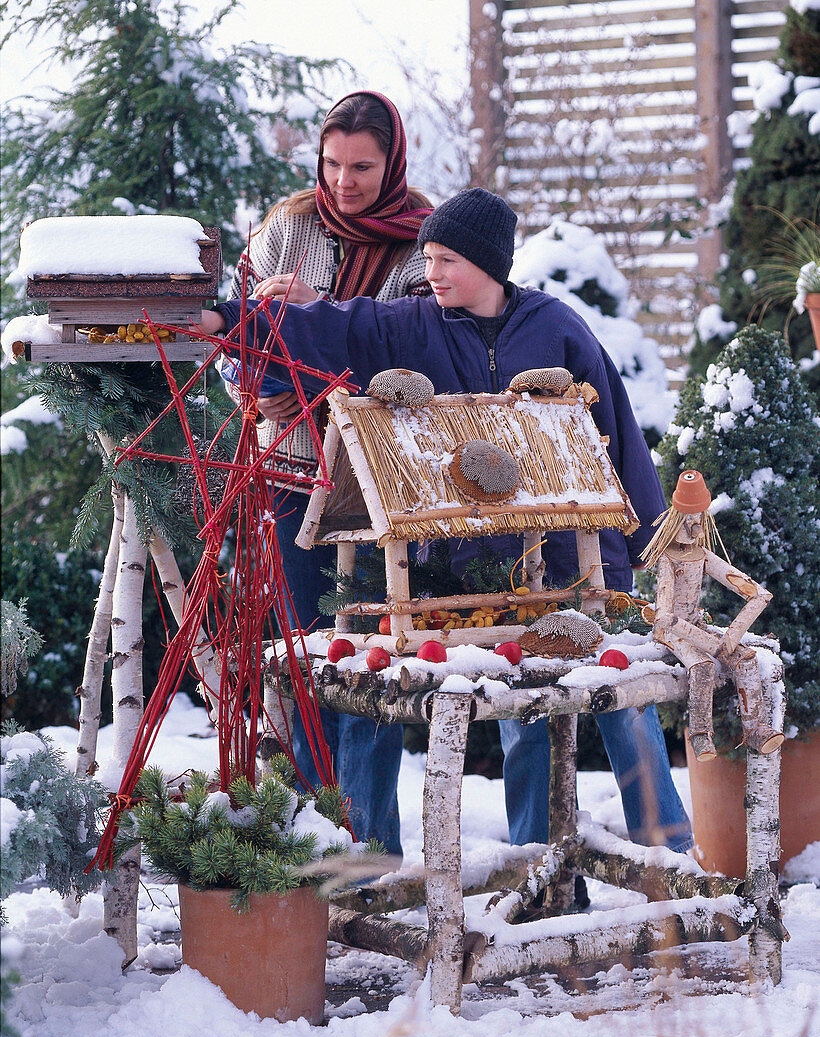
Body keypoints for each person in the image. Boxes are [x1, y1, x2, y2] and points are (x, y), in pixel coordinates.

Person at [203, 187, 694, 861]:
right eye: (427, 256)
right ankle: (533, 861)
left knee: (615, 696)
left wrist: (643, 536)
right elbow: (333, 328)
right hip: (475, 565)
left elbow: (615, 423)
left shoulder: (557, 327)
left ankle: (668, 846)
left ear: (489, 264)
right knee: (520, 707)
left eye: (445, 259)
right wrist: (226, 318)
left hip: (575, 556)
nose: (430, 271)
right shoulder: (411, 326)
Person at [228, 90, 433, 857]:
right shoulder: (285, 232)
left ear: (394, 163)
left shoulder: (424, 244)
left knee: (370, 665)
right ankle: (316, 850)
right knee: (309, 657)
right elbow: (237, 358)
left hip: (376, 487)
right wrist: (273, 370)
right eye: (332, 163)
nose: (344, 182)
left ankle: (371, 852)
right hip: (290, 474)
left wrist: (312, 319)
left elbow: (410, 365)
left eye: (363, 167)